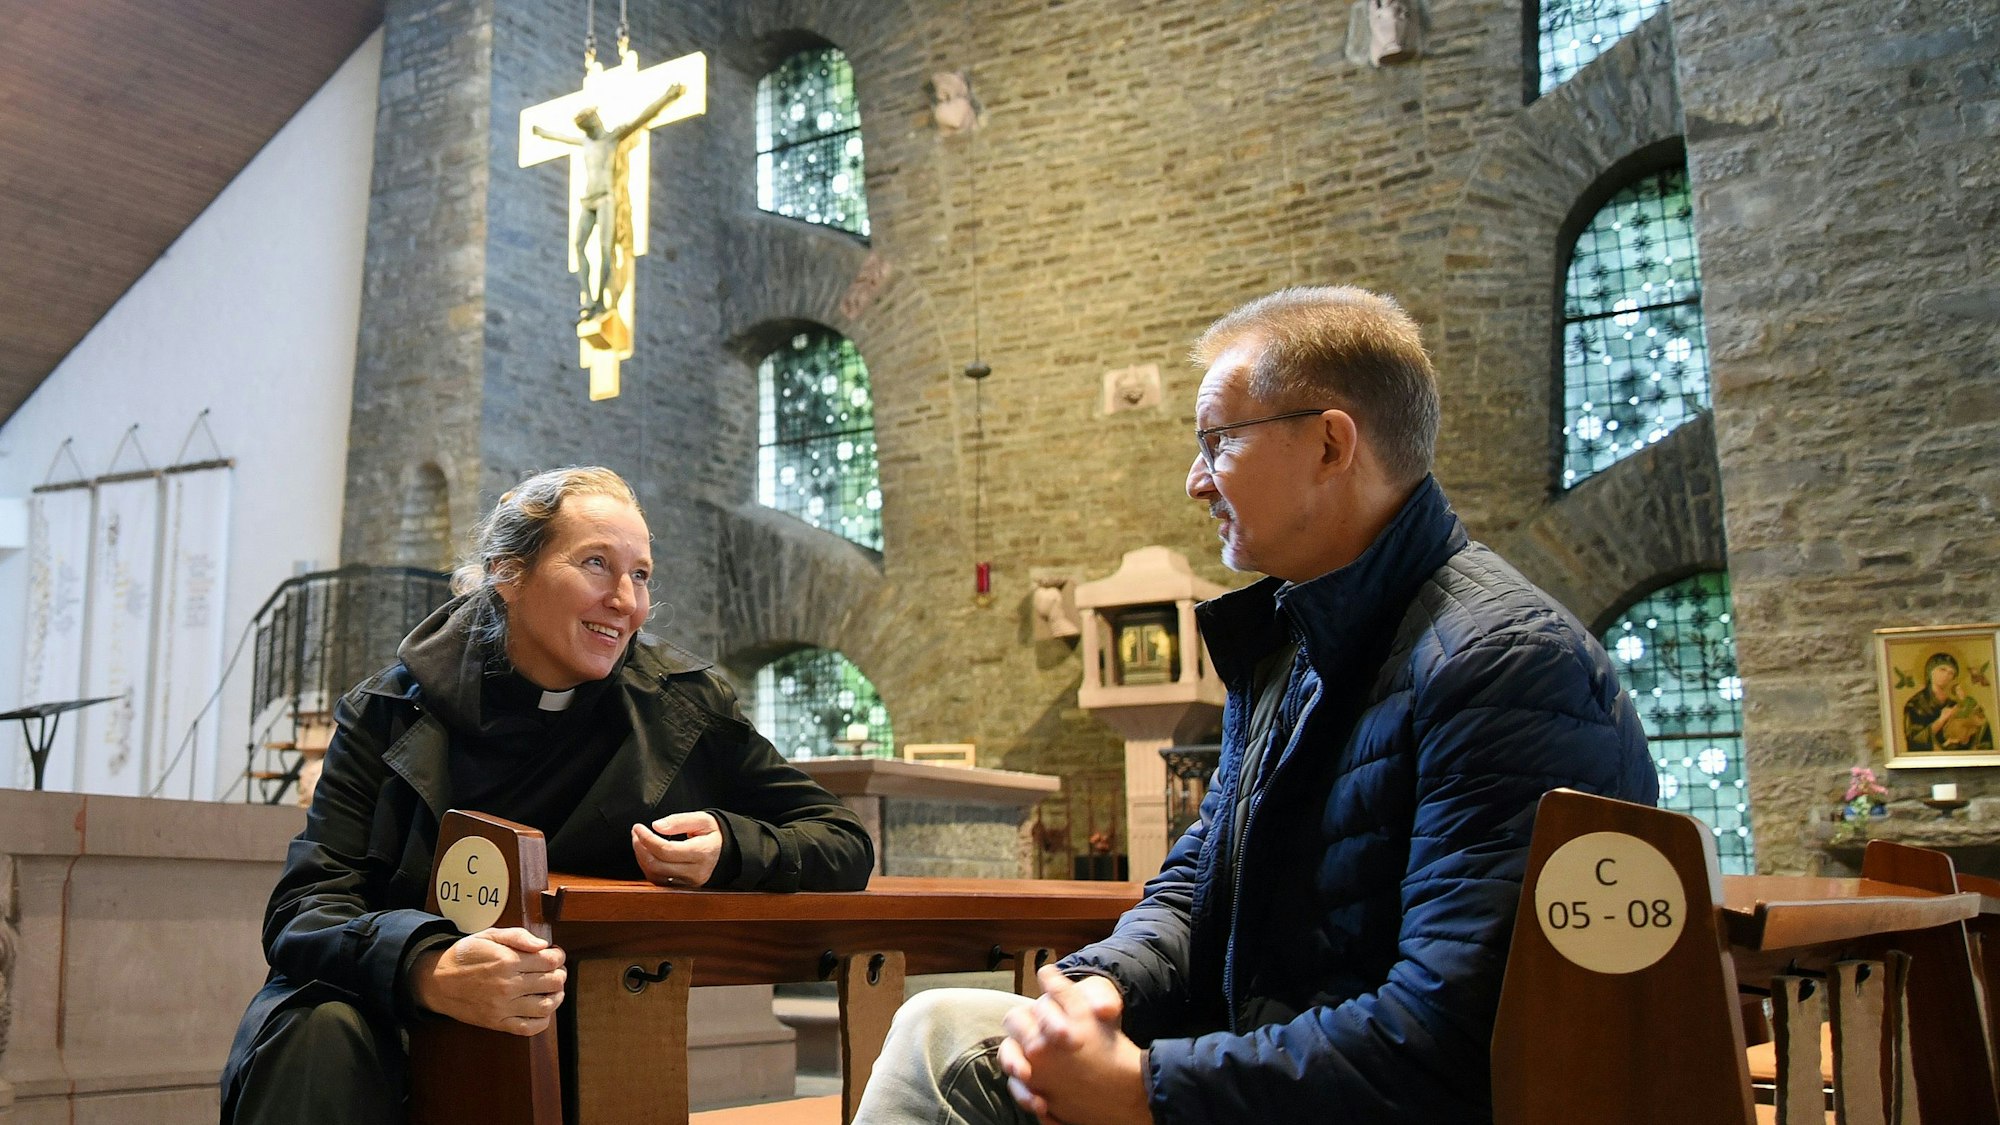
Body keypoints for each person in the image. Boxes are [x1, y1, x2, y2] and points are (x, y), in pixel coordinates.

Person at [853, 286, 1657, 1124]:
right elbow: (1200, 886)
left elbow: (1454, 1038)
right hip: (1270, 1065)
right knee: (942, 1025)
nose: (1195, 480)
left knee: (953, 1056)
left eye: (1218, 441)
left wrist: (1142, 1089)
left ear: (1330, 443)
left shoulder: (1503, 660)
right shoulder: (1298, 642)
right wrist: (1098, 989)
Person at [220, 466, 873, 1124]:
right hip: (378, 1023)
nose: (627, 600)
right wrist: (425, 965)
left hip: (577, 1034)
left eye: (641, 574)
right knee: (320, 1031)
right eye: (596, 563)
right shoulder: (389, 710)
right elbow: (306, 910)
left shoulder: (685, 707)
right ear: (509, 572)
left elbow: (842, 840)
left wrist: (730, 845)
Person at [533, 83, 685, 320]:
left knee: (605, 249)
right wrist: (542, 133)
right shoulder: (586, 142)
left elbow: (644, 116)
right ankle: (589, 297)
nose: (590, 130)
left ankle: (599, 297)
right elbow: (562, 138)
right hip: (588, 200)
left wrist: (667, 97)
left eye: (591, 124)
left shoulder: (612, 138)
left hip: (606, 199)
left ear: (597, 122)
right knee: (579, 246)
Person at [1904, 651, 1994, 753]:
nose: (1946, 675)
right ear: (1930, 671)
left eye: (1951, 673)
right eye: (1942, 669)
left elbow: (1981, 727)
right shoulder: (1916, 704)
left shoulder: (1954, 703)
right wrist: (1941, 720)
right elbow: (1914, 741)